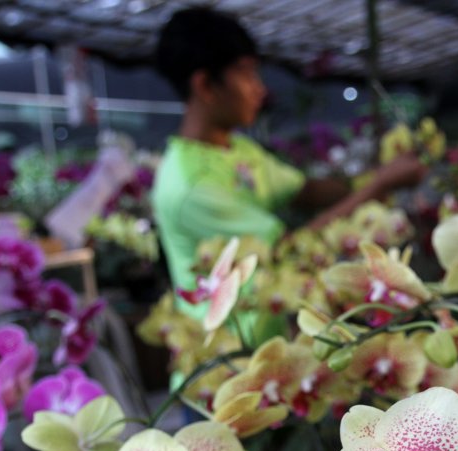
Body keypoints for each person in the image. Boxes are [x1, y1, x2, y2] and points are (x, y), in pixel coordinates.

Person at [152, 8, 426, 327]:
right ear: (205, 86)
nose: (260, 88)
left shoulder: (235, 149)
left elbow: (304, 190)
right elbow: (287, 250)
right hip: (228, 358)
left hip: (270, 341)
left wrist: (374, 177)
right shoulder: (190, 185)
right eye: (246, 73)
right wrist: (380, 186)